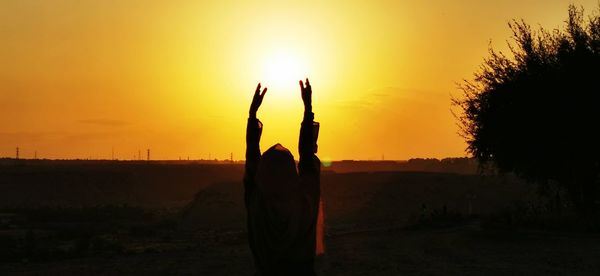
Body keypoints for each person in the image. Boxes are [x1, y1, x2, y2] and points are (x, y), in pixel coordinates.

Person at [244, 79, 322, 275]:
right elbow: (307, 159)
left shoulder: (257, 203)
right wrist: (308, 108)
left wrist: (252, 115)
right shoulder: (304, 202)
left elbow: (252, 157)